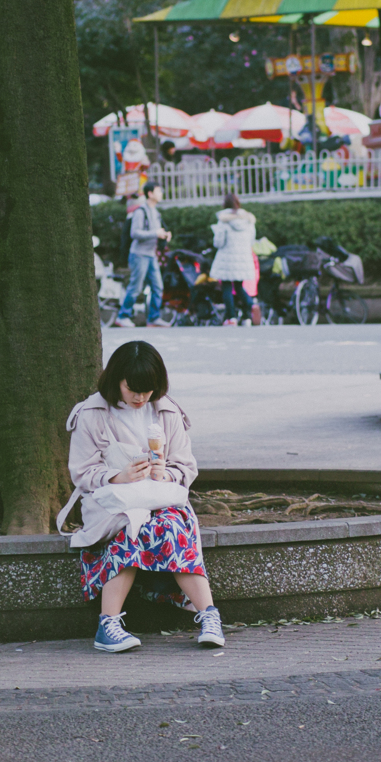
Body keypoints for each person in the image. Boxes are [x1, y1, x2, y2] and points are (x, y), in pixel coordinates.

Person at [58, 340, 225, 653]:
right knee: (131, 529)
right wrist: (117, 475)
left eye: (147, 390)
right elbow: (81, 472)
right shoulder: (92, 413)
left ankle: (209, 616)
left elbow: (186, 467)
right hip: (113, 502)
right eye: (132, 388)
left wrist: (166, 473)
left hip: (159, 497)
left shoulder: (166, 411)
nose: (139, 397)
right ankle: (108, 624)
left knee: (170, 527)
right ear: (116, 380)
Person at [115, 181, 172, 328]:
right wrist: (155, 233)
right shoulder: (141, 211)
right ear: (150, 193)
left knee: (158, 286)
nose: (161, 194)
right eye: (158, 191)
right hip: (139, 254)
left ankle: (153, 318)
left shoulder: (156, 212)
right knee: (136, 287)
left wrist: (164, 234)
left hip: (150, 255)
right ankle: (123, 316)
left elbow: (157, 232)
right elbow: (135, 233)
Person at [209, 193, 257, 325]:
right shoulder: (248, 219)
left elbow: (218, 242)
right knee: (239, 287)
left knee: (226, 287)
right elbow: (252, 240)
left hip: (227, 259)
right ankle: (249, 309)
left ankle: (231, 318)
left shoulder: (224, 220)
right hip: (243, 258)